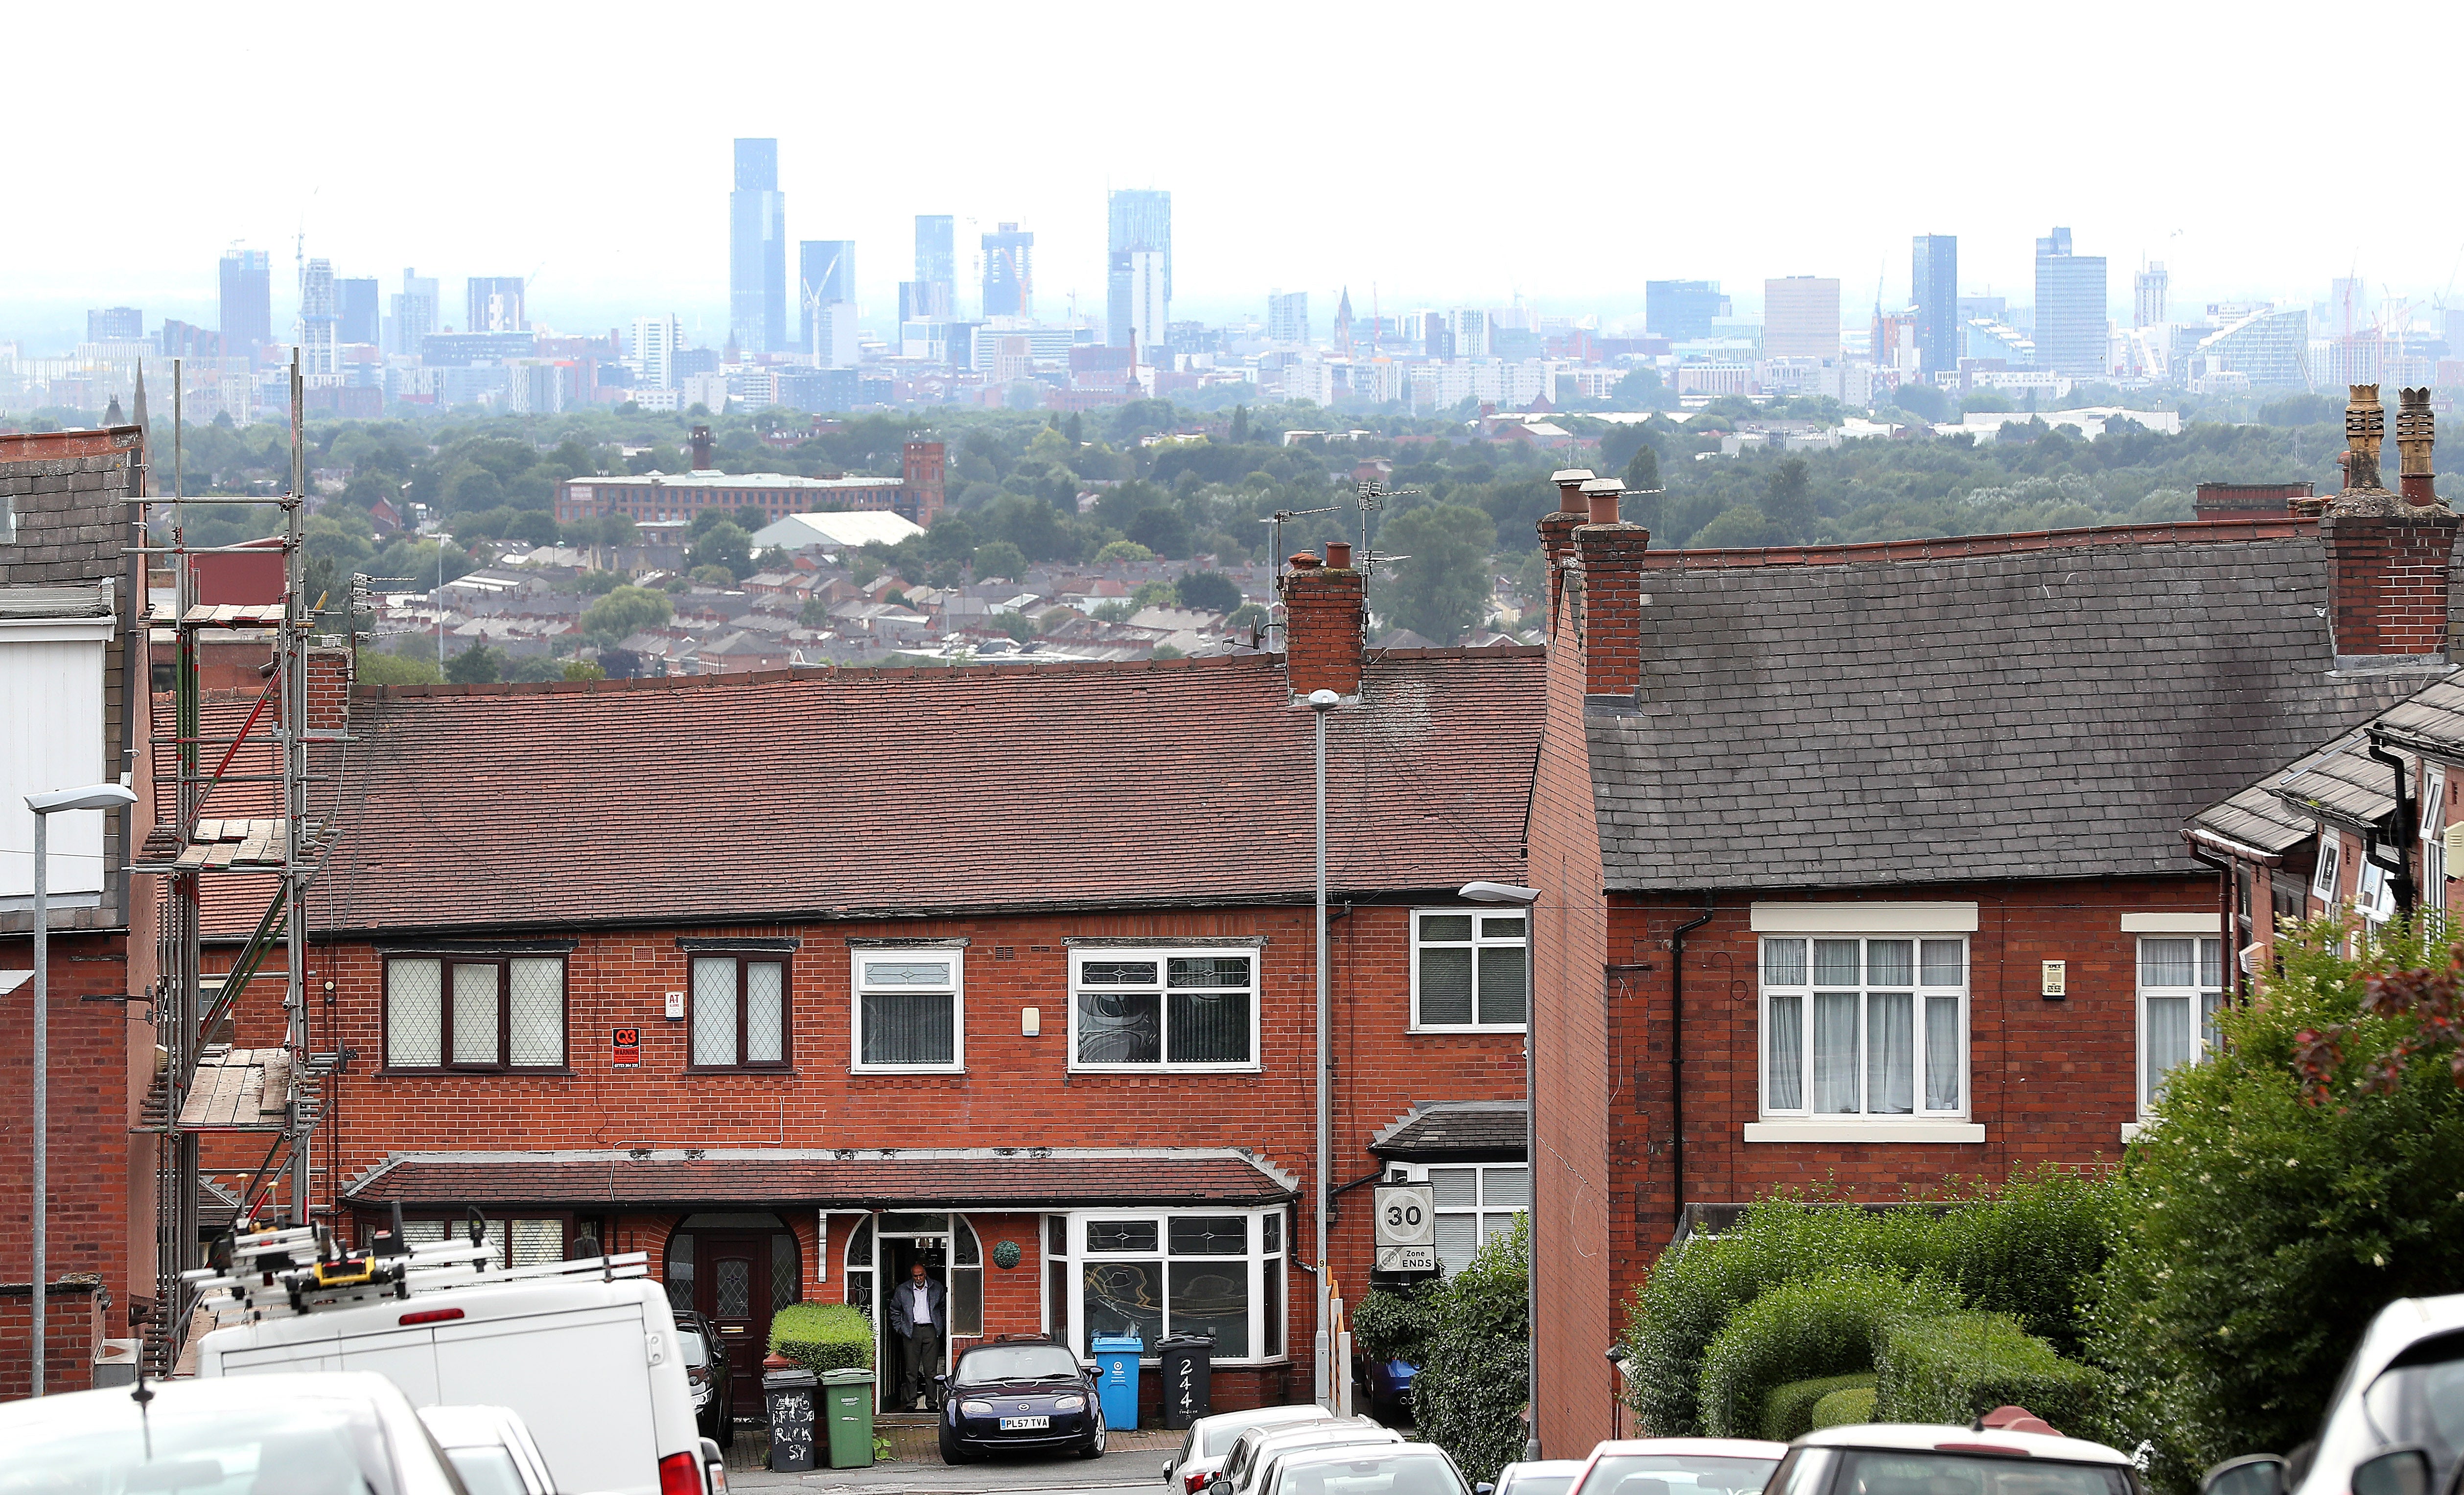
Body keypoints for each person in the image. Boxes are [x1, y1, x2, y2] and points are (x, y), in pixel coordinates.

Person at [886, 1260, 947, 1410]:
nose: (918, 1279)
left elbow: (944, 1308)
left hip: (931, 1330)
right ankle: (911, 1402)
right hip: (911, 1331)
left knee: (931, 1371)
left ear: (925, 1274)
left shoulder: (936, 1287)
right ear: (912, 1276)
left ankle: (932, 1403)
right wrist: (901, 1329)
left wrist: (941, 1326)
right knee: (911, 1370)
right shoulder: (902, 1290)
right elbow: (894, 1310)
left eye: (921, 1275)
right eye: (915, 1276)